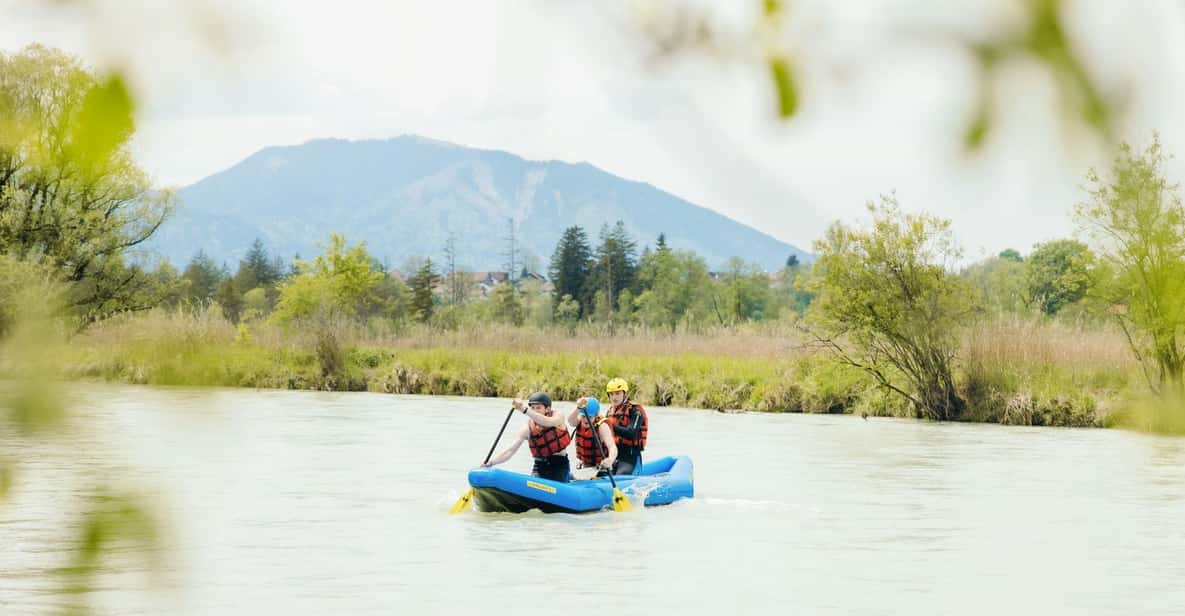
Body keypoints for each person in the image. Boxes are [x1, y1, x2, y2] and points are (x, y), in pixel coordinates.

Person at [480, 391, 572, 482]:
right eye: (532, 408)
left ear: (547, 409)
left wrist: (523, 409)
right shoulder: (527, 429)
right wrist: (491, 462)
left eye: (538, 408)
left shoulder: (558, 417)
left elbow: (547, 422)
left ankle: (568, 476)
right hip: (539, 467)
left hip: (559, 465)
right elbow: (510, 451)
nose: (535, 411)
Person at [604, 378, 648, 475]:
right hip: (614, 455)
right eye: (611, 394)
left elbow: (631, 433)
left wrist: (609, 426)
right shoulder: (610, 412)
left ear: (624, 394)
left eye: (617, 393)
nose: (614, 397)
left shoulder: (635, 410)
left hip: (630, 456)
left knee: (620, 475)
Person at [566, 397, 617, 477]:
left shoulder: (602, 426)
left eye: (589, 417)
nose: (586, 420)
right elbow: (570, 421)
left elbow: (612, 446)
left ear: (596, 415)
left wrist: (610, 460)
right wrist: (578, 407)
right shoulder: (579, 421)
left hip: (601, 468)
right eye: (583, 416)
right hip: (586, 467)